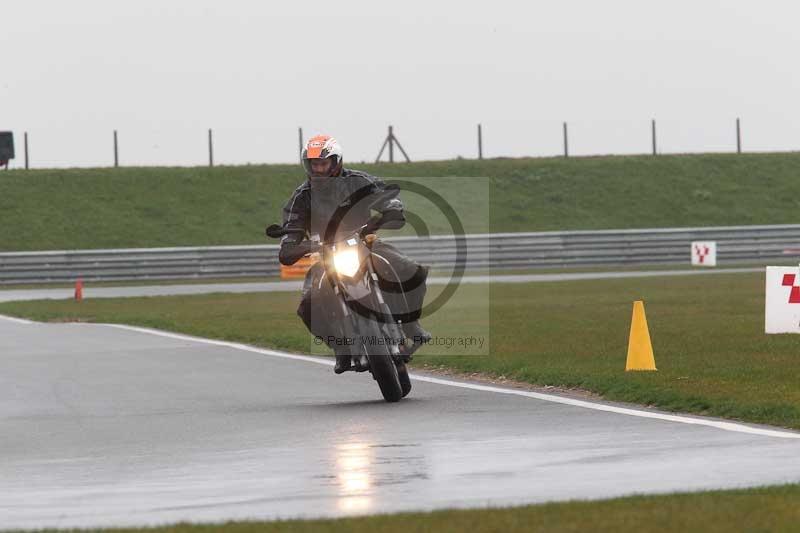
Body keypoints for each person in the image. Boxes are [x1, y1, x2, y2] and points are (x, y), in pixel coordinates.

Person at [278, 134, 431, 373]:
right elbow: (292, 227)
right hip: (325, 256)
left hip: (365, 244)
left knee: (412, 270)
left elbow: (385, 196)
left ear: (336, 161)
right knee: (307, 305)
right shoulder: (301, 196)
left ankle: (411, 325)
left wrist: (390, 210)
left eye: (323, 163)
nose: (318, 169)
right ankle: (340, 347)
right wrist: (291, 245)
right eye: (314, 164)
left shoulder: (358, 180)